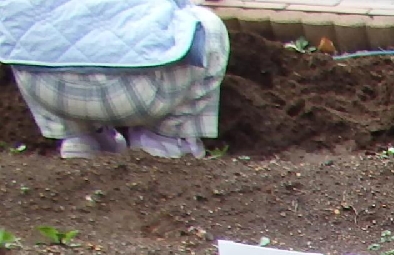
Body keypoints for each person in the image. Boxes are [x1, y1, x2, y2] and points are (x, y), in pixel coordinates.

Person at [1, 0, 228, 160]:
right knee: (206, 24)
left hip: (49, 91)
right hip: (141, 92)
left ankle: (78, 140)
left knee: (22, 39)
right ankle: (164, 142)